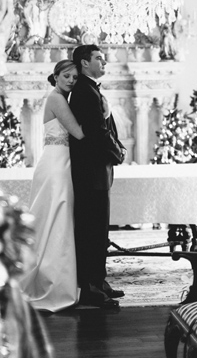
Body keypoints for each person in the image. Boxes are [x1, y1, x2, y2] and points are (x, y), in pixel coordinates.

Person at [21, 59, 85, 311]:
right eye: (66, 76)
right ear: (56, 76)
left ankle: (56, 280)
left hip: (60, 163)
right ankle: (50, 285)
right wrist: (104, 113)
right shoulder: (57, 99)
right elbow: (78, 133)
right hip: (57, 166)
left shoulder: (62, 98)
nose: (71, 80)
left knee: (55, 221)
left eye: (75, 77)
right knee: (55, 221)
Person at [69, 44, 126, 308]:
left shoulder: (90, 88)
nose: (104, 63)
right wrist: (118, 153)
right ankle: (90, 288)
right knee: (91, 231)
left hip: (95, 172)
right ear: (84, 62)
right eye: (98, 59)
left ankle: (99, 281)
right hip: (91, 172)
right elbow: (96, 132)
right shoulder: (84, 91)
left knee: (99, 230)